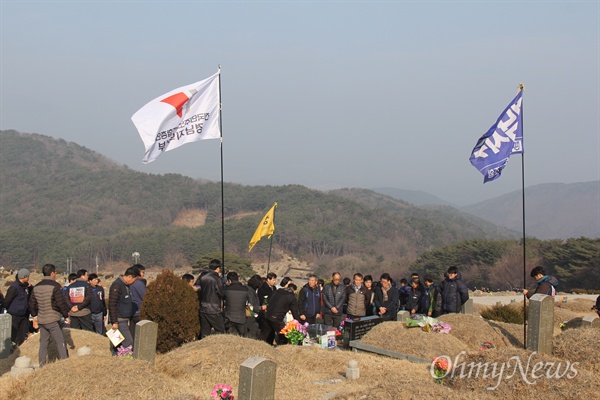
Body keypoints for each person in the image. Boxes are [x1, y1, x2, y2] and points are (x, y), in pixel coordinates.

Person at [29, 264, 71, 367]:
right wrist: (66, 316)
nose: (56, 274)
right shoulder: (55, 286)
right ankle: (65, 364)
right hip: (52, 319)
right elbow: (60, 303)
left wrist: (35, 316)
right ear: (52, 273)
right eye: (55, 272)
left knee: (43, 344)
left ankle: (42, 365)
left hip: (42, 319)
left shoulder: (37, 286)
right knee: (60, 342)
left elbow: (31, 303)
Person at [108, 266, 141, 355]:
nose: (134, 282)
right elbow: (112, 304)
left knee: (118, 344)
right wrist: (114, 321)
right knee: (128, 342)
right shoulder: (117, 285)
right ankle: (126, 360)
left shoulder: (126, 286)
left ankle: (116, 359)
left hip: (124, 319)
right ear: (130, 276)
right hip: (119, 320)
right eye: (134, 280)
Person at [265, 277, 300, 345]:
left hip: (268, 314)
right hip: (277, 317)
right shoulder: (291, 297)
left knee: (268, 334)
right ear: (294, 290)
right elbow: (294, 312)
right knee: (284, 335)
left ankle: (266, 347)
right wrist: (299, 323)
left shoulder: (278, 291)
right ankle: (281, 350)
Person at [223, 271, 258, 337]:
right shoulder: (245, 289)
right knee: (243, 338)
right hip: (242, 319)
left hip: (229, 318)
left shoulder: (226, 289)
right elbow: (251, 303)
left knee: (230, 338)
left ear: (229, 281)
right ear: (238, 279)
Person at [4, 268, 32, 347]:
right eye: (28, 276)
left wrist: (30, 288)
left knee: (22, 335)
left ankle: (20, 347)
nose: (29, 278)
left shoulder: (25, 287)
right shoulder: (14, 287)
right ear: (25, 276)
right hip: (14, 315)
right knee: (13, 335)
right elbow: (7, 301)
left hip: (23, 315)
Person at [198, 259, 225, 338]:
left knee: (205, 333)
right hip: (214, 309)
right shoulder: (217, 279)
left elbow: (198, 288)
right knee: (221, 330)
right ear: (217, 268)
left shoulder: (202, 277)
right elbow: (221, 293)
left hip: (203, 308)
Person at [257, 272, 278, 344]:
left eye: (275, 280)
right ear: (268, 279)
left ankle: (270, 344)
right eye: (273, 280)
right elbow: (261, 299)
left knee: (272, 331)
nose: (274, 282)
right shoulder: (263, 288)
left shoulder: (274, 288)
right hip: (264, 311)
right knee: (265, 330)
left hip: (272, 311)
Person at [129, 264, 147, 340]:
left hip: (131, 312)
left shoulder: (130, 283)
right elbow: (145, 296)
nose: (143, 274)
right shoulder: (139, 283)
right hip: (139, 311)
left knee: (132, 333)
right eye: (142, 272)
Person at [246, 274, 263, 338]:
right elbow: (251, 306)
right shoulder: (251, 292)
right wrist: (260, 308)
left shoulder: (250, 290)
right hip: (250, 317)